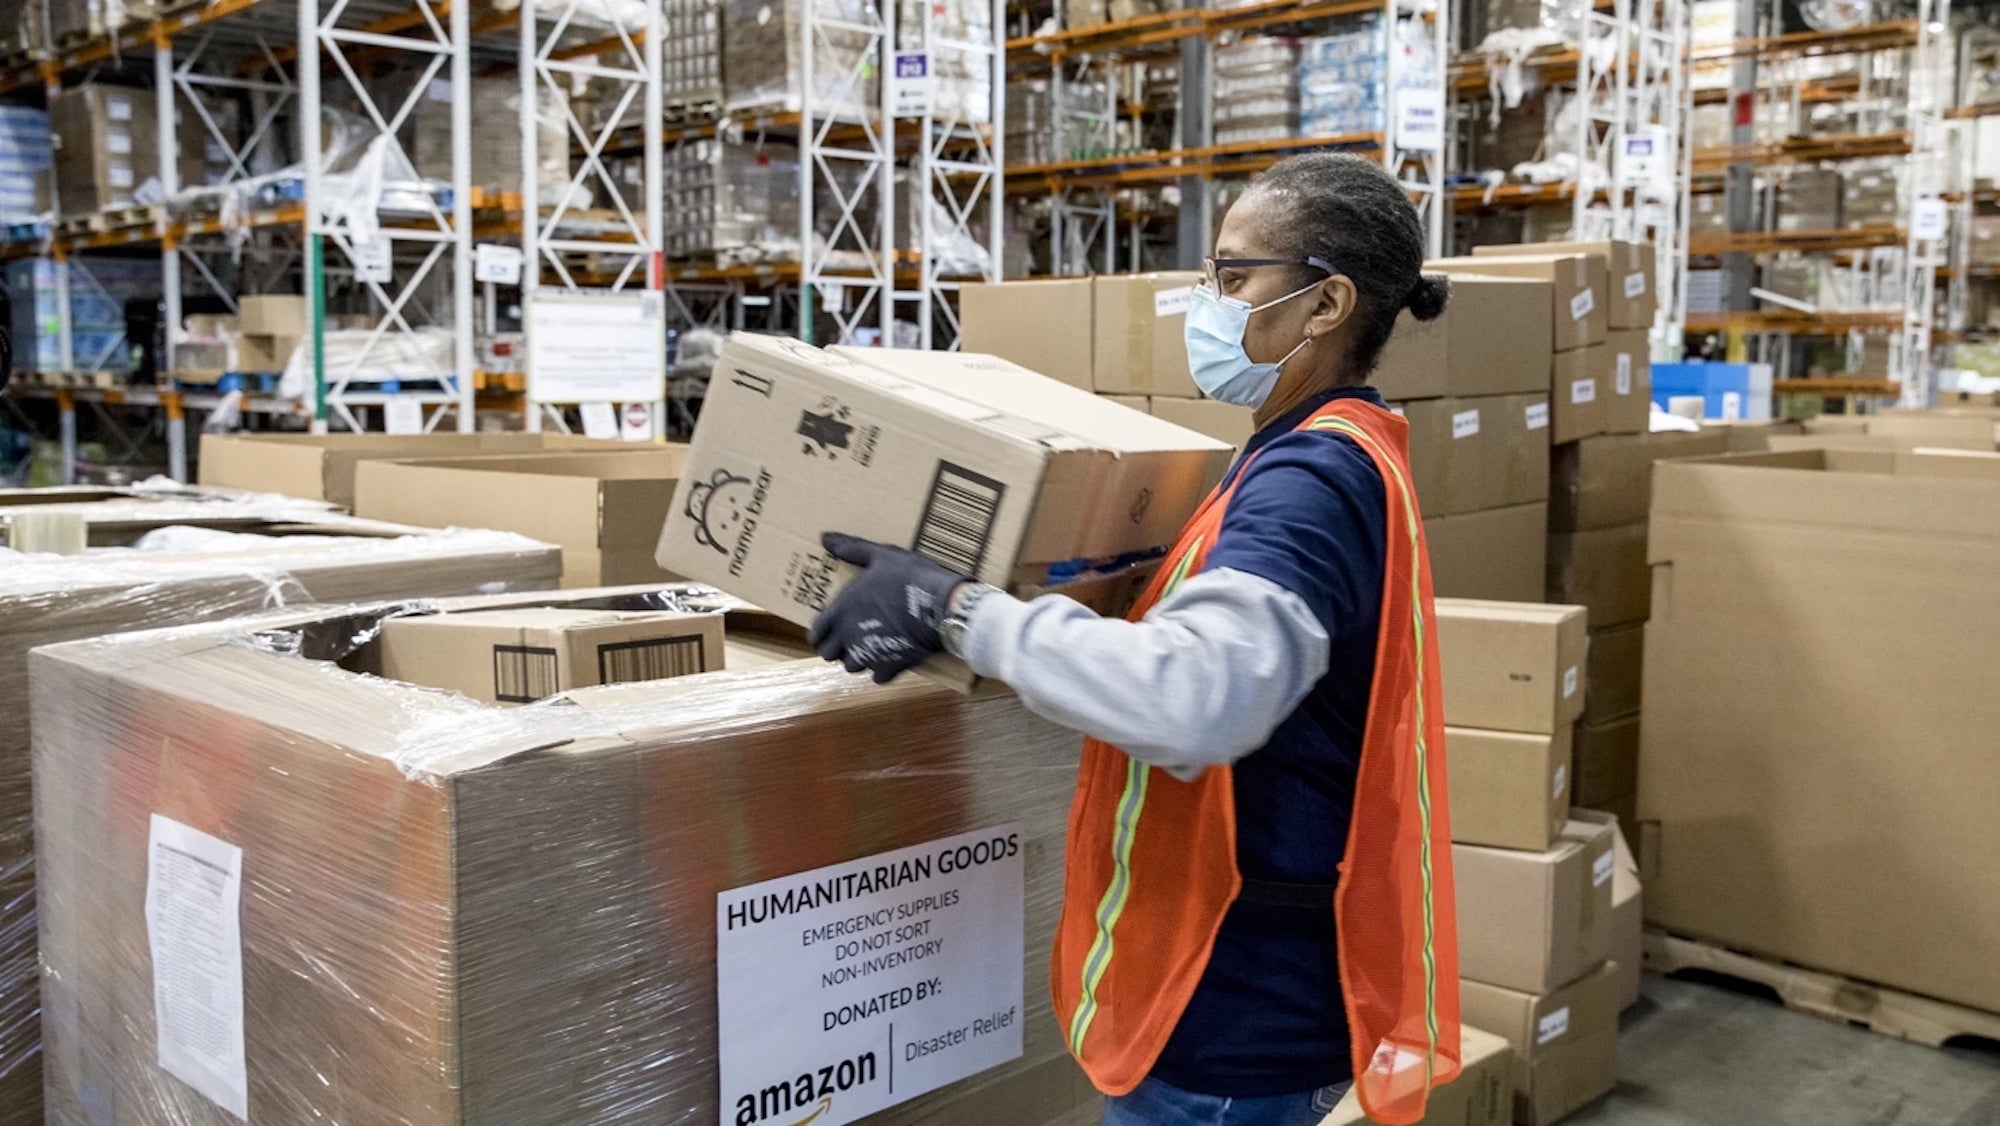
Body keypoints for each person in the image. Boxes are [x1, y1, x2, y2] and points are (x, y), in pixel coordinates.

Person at [808, 152, 1462, 1126]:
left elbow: (1195, 697)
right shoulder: (1309, 451)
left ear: (1325, 305)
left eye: (1233, 277)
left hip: (1235, 1010)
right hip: (1244, 984)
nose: (1207, 302)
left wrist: (955, 610)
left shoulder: (1307, 482)